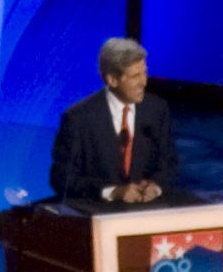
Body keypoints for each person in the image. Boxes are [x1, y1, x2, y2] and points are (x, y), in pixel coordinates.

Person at [50, 37, 179, 203]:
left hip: (147, 213)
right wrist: (113, 192)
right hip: (99, 214)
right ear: (112, 79)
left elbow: (170, 165)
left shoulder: (156, 110)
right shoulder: (78, 118)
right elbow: (61, 179)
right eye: (135, 76)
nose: (144, 82)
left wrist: (156, 186)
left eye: (144, 73)